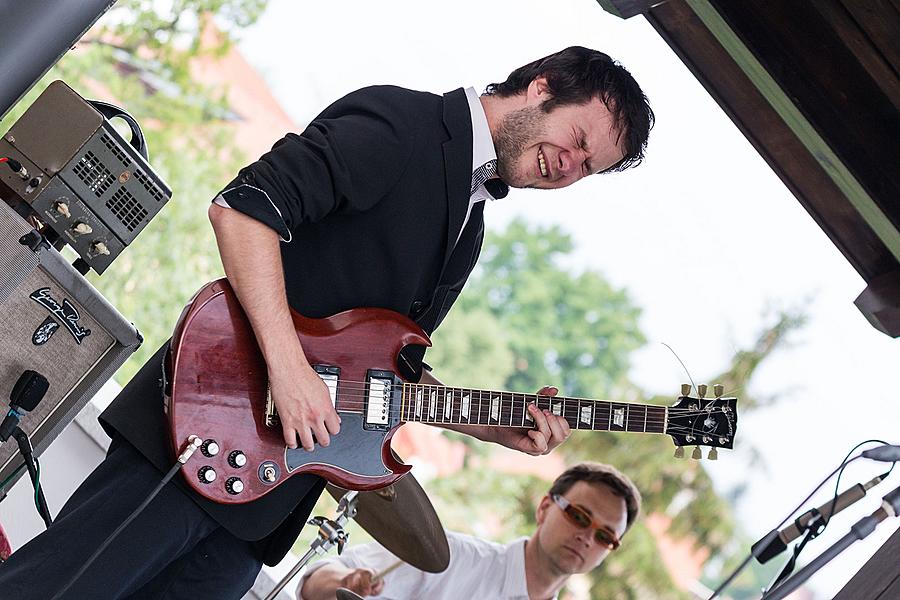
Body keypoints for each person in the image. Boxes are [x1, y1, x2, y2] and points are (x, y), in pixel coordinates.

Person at [0, 46, 653, 599]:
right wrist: (287, 370)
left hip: (269, 502)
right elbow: (244, 209)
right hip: (203, 431)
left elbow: (375, 370)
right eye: (577, 141)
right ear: (543, 87)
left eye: (587, 168)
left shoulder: (470, 228)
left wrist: (483, 423)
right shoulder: (406, 124)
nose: (570, 166)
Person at [298, 462, 641, 600]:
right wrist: (345, 584)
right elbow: (312, 582)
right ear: (545, 507)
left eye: (605, 536)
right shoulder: (452, 556)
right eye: (580, 516)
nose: (587, 537)